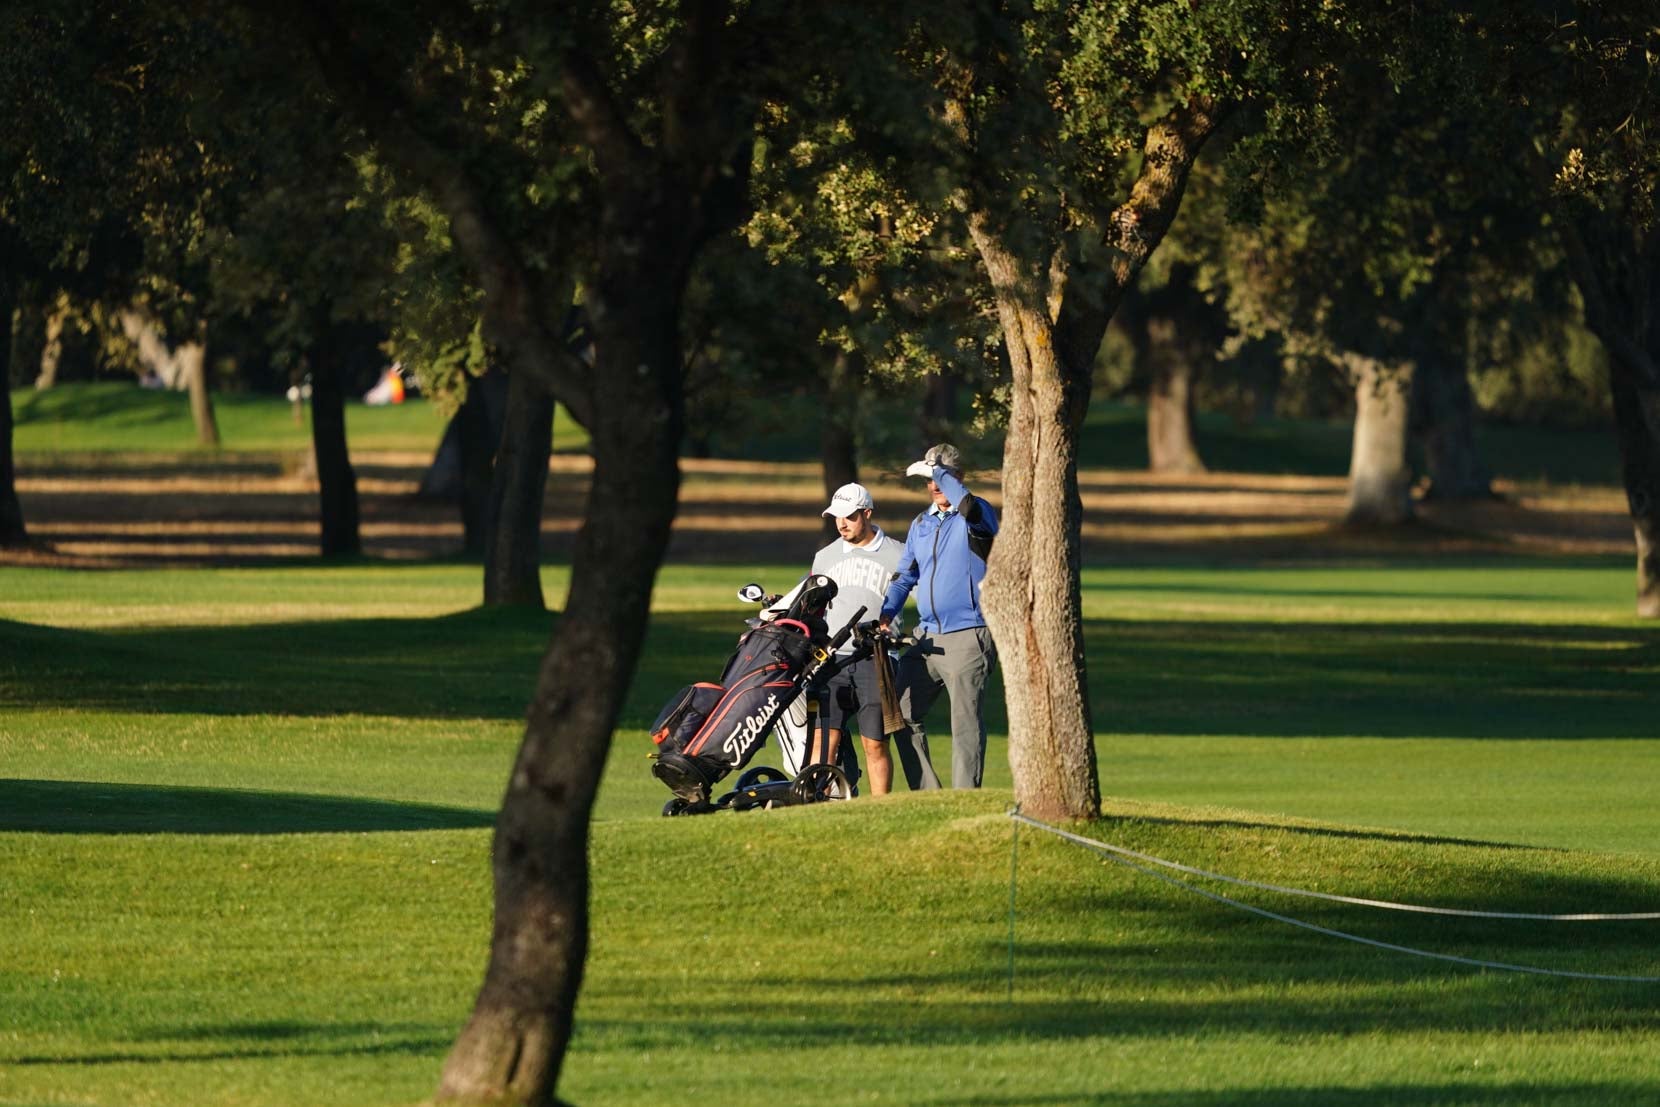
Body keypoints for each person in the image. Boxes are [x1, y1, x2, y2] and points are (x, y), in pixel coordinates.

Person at [879, 443, 1000, 789]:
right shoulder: (921, 523)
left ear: (958, 477)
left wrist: (938, 471)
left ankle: (963, 799)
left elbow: (967, 506)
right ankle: (929, 796)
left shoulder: (977, 513)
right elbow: (905, 576)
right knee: (900, 713)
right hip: (926, 637)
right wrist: (887, 612)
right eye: (930, 479)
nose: (934, 485)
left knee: (964, 724)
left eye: (941, 477)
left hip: (968, 634)